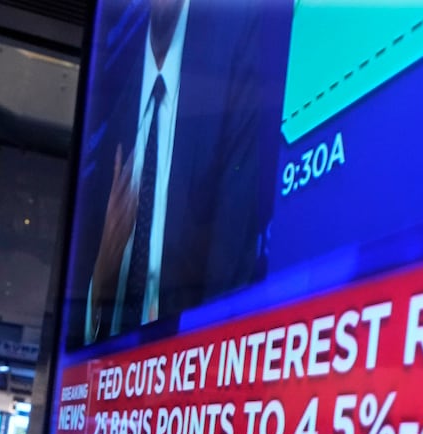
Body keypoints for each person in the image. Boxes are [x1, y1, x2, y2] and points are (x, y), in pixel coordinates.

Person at [68, 0, 282, 346]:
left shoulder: (235, 41)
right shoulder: (111, 92)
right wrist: (100, 281)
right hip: (104, 381)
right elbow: (76, 319)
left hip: (184, 373)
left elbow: (229, 280)